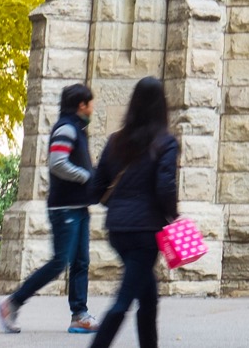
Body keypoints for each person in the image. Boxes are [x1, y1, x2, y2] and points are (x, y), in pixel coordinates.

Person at [84, 77, 179, 348]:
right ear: (162, 106)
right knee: (123, 300)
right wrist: (172, 215)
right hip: (146, 233)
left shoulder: (116, 141)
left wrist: (120, 207)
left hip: (117, 230)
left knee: (148, 296)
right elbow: (165, 186)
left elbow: (97, 187)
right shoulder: (165, 143)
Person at [0, 83, 98, 334]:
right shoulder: (66, 128)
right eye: (90, 103)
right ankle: (12, 303)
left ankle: (79, 315)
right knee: (59, 262)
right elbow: (57, 163)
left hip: (78, 206)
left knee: (80, 262)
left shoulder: (77, 128)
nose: (92, 108)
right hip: (65, 208)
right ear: (81, 105)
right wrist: (86, 176)